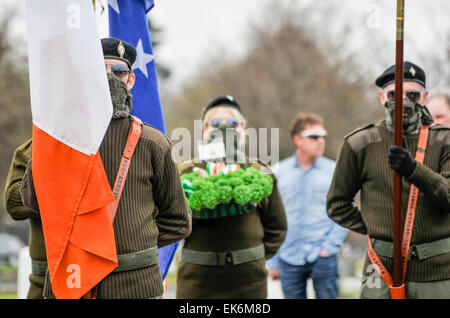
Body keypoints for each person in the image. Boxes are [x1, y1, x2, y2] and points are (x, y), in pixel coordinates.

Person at [20, 37, 192, 299]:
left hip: (137, 286)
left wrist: (134, 246)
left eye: (118, 72)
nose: (110, 78)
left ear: (130, 80)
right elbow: (32, 201)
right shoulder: (64, 137)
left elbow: (179, 220)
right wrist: (51, 132)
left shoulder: (153, 142)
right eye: (100, 71)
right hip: (74, 283)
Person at [327, 61, 450, 299]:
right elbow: (336, 204)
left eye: (412, 94)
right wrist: (377, 226)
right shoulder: (360, 143)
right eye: (394, 94)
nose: (403, 101)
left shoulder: (444, 141)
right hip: (378, 266)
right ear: (382, 97)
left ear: (424, 97)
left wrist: (414, 169)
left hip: (436, 269)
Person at [175, 95, 287, 298]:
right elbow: (174, 222)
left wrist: (253, 258)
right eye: (216, 123)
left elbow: (277, 227)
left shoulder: (259, 170)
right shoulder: (186, 171)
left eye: (234, 123)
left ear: (244, 130)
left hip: (249, 283)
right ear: (204, 130)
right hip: (197, 281)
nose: (224, 128)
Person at [266, 113, 348, 299]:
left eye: (323, 136)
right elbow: (270, 218)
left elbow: (345, 210)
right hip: (288, 257)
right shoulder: (278, 172)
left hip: (323, 256)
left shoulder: (334, 171)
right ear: (297, 139)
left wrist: (330, 247)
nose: (320, 141)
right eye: (313, 136)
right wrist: (273, 260)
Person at [3, 138, 47, 299]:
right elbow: (12, 202)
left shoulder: (95, 144)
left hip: (100, 278)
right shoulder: (28, 150)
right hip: (43, 280)